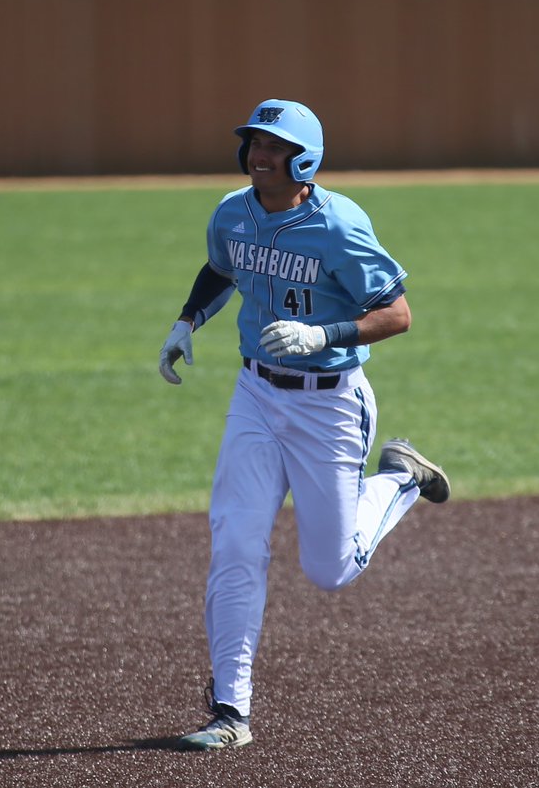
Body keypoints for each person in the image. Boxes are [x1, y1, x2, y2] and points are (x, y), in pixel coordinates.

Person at [158, 98, 450, 751]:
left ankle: (399, 478)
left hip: (330, 404)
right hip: (256, 395)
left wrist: (324, 332)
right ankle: (231, 710)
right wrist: (186, 322)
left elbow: (397, 313)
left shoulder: (340, 226)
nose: (259, 156)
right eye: (254, 144)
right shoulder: (232, 211)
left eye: (274, 147)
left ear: (306, 159)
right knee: (236, 540)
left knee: (330, 569)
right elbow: (221, 267)